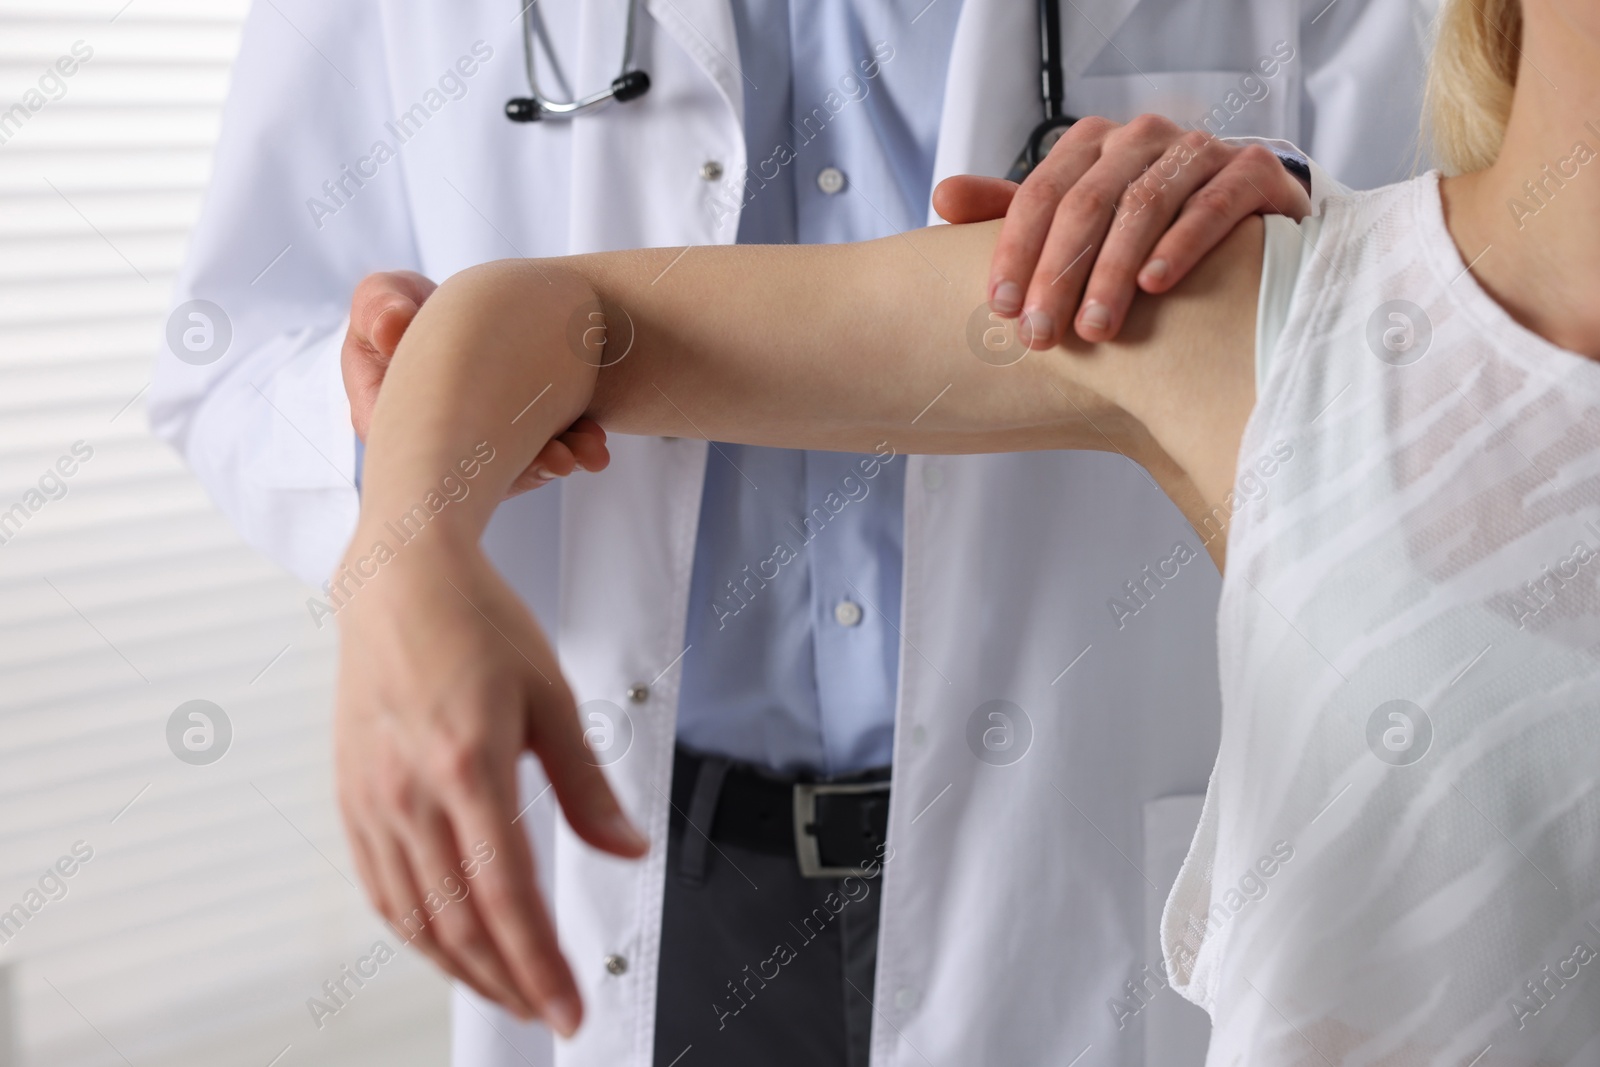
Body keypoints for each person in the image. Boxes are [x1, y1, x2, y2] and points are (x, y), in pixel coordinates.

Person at [148, 1, 1433, 1064]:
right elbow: (232, 349)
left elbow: (1471, 301)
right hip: (651, 862)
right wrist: (393, 429)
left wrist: (1293, 225)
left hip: (1079, 848)